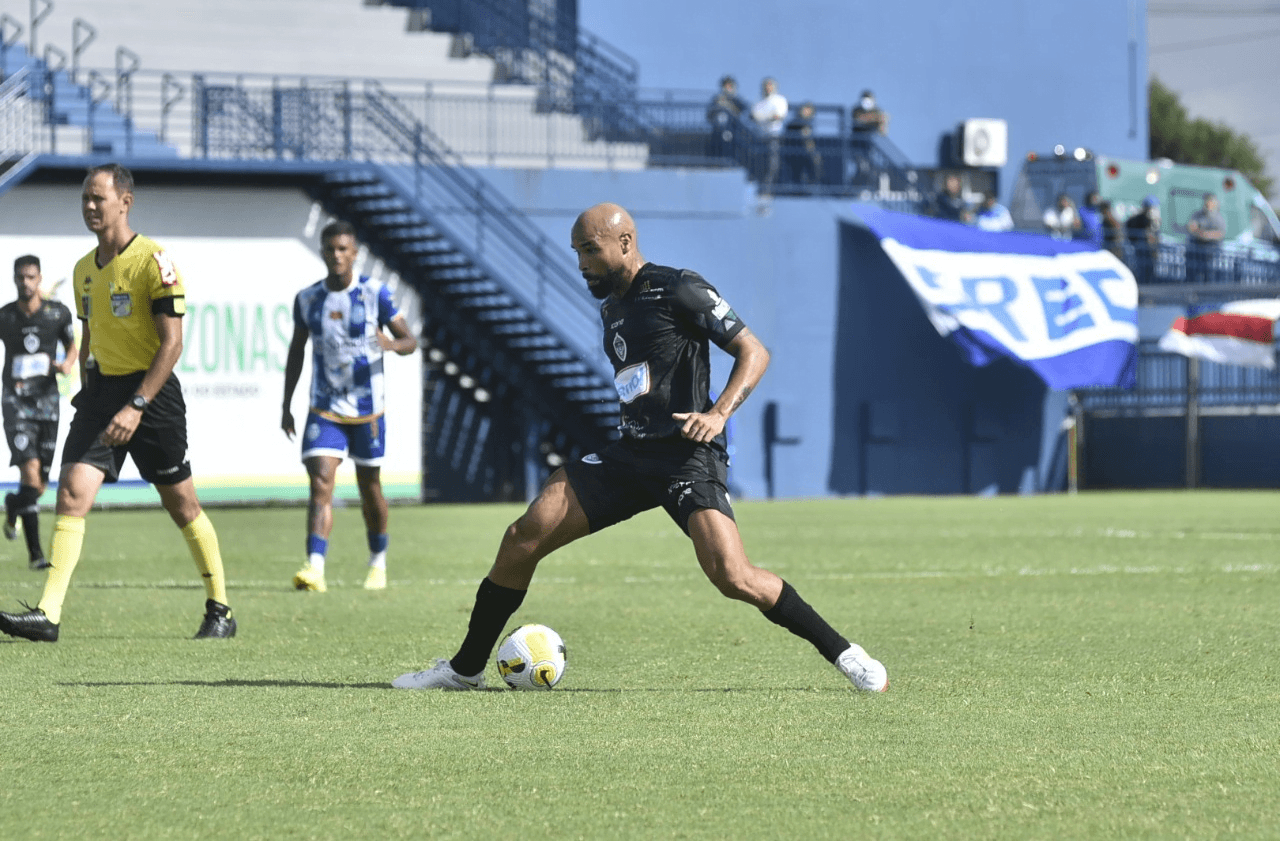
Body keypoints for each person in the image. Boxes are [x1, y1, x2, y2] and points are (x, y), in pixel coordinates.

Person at [392, 202, 888, 693]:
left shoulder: (679, 287)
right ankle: (465, 669)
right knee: (525, 533)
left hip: (687, 457)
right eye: (576, 251)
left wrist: (718, 414)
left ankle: (846, 654)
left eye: (590, 249)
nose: (581, 262)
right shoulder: (611, 307)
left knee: (733, 576)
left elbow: (753, 351)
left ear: (624, 242)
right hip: (632, 455)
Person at [0, 163, 235, 642]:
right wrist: (88, 384)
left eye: (98, 198)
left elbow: (172, 344)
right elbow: (89, 335)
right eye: (85, 198)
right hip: (102, 393)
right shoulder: (84, 269)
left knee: (182, 503)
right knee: (70, 492)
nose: (89, 206)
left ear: (124, 202)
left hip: (153, 394)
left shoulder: (155, 261)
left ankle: (221, 609)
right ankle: (48, 615)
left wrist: (138, 404)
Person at [282, 220, 417, 593]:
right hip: (324, 407)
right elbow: (296, 351)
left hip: (368, 410)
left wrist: (389, 345)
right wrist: (286, 404)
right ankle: (315, 568)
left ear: (354, 253)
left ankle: (377, 562)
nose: (337, 255)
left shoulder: (376, 294)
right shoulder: (308, 299)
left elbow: (410, 341)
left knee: (369, 486)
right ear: (323, 252)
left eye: (344, 249)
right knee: (321, 482)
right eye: (330, 249)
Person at [0, 256, 77, 570]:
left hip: (47, 403)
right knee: (29, 474)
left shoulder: (56, 313)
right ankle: (36, 556)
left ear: (39, 278)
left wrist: (68, 363)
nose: (25, 283)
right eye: (20, 277)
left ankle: (12, 505)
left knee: (39, 486)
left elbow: (72, 345)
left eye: (31, 277)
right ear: (15, 279)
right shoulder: (5, 316)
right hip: (15, 402)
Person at [750, 77, 788, 196]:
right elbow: (753, 117)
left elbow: (777, 116)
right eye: (766, 85)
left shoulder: (780, 100)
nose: (768, 88)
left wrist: (763, 118)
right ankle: (760, 187)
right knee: (759, 163)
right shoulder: (758, 103)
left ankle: (769, 189)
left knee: (773, 164)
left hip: (774, 137)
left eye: (770, 85)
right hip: (760, 138)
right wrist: (766, 118)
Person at [1186, 192, 1227, 282]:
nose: (1208, 203)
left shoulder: (1218, 218)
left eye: (1210, 201)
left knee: (1209, 277)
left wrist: (1206, 234)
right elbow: (1191, 227)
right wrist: (1201, 233)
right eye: (1207, 201)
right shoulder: (1198, 215)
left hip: (1211, 254)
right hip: (1197, 253)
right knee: (1194, 276)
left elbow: (1220, 233)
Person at [705, 75, 748, 161]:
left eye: (730, 85)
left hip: (733, 129)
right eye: (726, 86)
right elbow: (709, 114)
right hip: (718, 129)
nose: (728, 88)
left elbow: (745, 111)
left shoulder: (736, 100)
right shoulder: (717, 99)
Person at [784, 101, 823, 189]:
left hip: (805, 153)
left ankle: (811, 185)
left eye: (809, 111)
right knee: (798, 170)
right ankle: (799, 187)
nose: (806, 112)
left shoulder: (810, 124)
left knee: (815, 161)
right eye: (805, 110)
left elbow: (810, 141)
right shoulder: (793, 123)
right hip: (793, 153)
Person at [1125, 195, 1161, 281]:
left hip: (1145, 248)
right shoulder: (1141, 218)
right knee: (1143, 268)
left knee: (1147, 268)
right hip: (1143, 248)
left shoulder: (1147, 218)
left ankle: (1146, 282)